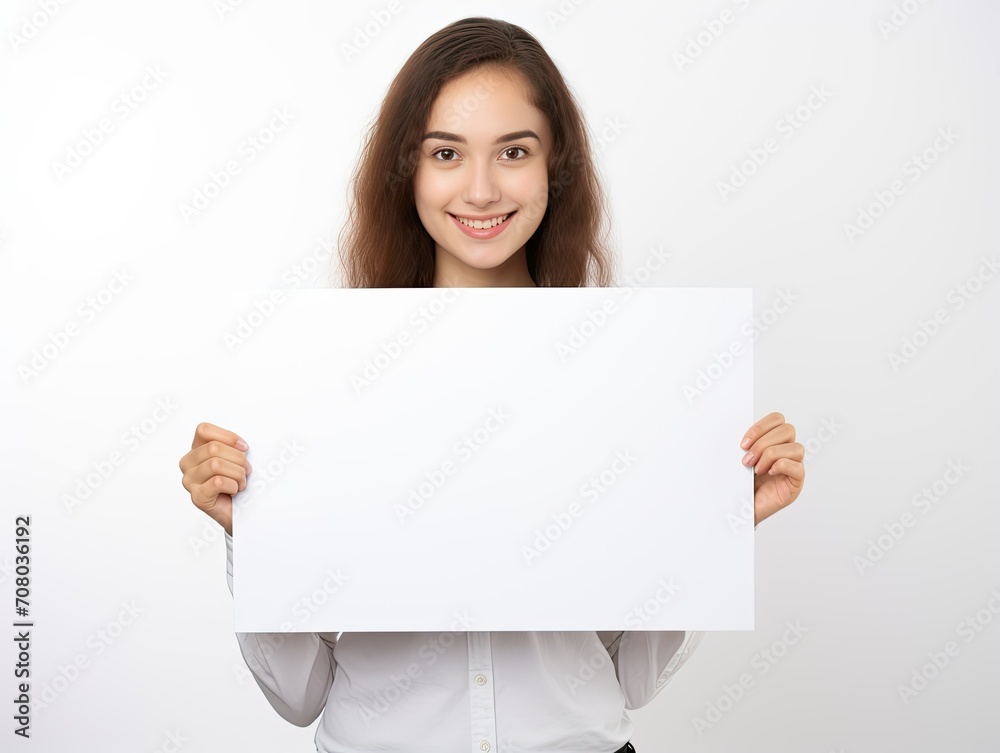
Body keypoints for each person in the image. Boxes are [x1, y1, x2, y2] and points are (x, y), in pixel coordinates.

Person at [178, 17, 805, 753]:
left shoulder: (624, 372)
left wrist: (717, 521)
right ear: (406, 170)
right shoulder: (325, 376)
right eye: (446, 152)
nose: (480, 189)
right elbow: (299, 693)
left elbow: (631, 678)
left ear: (554, 168)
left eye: (514, 151)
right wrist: (249, 526)